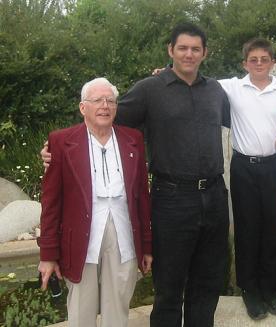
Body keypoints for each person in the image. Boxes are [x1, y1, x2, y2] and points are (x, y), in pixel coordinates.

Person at [42, 23, 230, 327]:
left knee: (208, 282)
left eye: (196, 49)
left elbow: (244, 119)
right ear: (170, 50)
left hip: (214, 195)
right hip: (172, 198)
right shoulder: (149, 89)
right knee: (169, 286)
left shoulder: (216, 90)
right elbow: (101, 120)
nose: (189, 54)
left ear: (205, 53)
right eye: (182, 48)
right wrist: (58, 149)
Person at [38, 77, 152, 327]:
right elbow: (51, 203)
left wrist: (146, 245)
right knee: (81, 309)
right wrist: (48, 254)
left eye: (110, 100)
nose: (104, 105)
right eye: (97, 100)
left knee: (118, 306)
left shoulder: (133, 139)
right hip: (80, 236)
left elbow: (142, 196)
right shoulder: (61, 141)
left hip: (123, 233)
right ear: (83, 108)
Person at [218, 38, 276, 319]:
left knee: (273, 230)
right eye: (254, 59)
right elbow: (198, 81)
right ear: (244, 63)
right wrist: (166, 71)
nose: (259, 63)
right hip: (243, 168)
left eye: (264, 59)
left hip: (274, 166)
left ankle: (270, 289)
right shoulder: (232, 87)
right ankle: (249, 290)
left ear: (272, 62)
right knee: (247, 229)